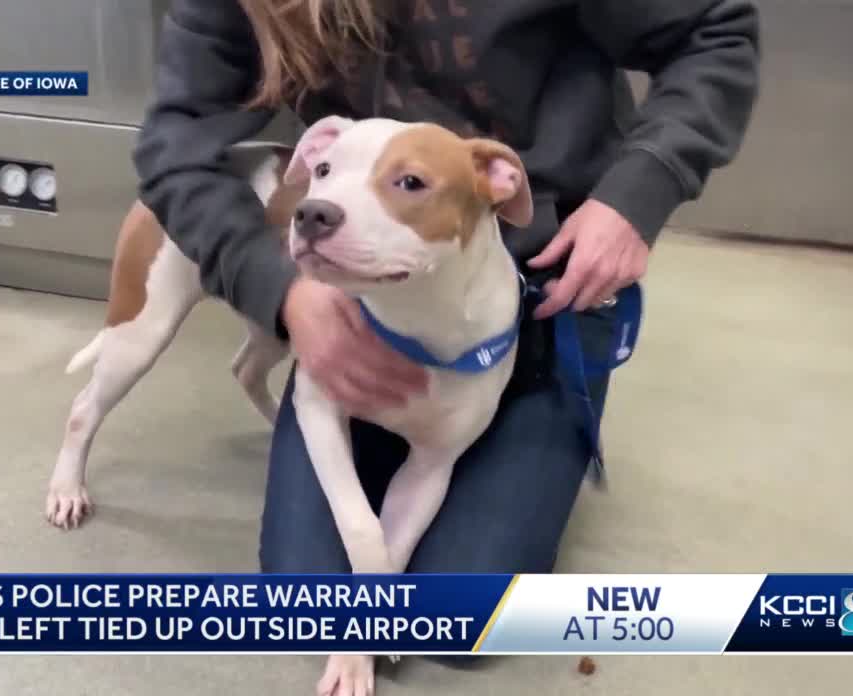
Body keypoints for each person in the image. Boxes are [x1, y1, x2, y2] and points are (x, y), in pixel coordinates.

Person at [136, 1, 758, 580]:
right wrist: (285, 294)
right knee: (311, 590)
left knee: (461, 605)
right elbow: (175, 150)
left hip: (546, 272)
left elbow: (714, 33)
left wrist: (635, 196)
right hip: (373, 289)